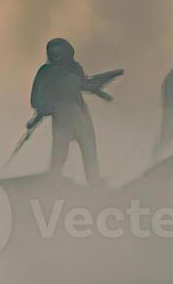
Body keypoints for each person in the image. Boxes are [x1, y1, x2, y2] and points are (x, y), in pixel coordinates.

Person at [29, 37, 118, 187]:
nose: (57, 56)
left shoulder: (73, 68)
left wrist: (107, 80)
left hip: (78, 113)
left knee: (87, 150)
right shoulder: (47, 71)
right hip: (64, 115)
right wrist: (45, 109)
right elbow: (36, 98)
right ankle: (56, 181)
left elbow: (85, 84)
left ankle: (92, 183)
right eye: (54, 53)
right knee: (61, 152)